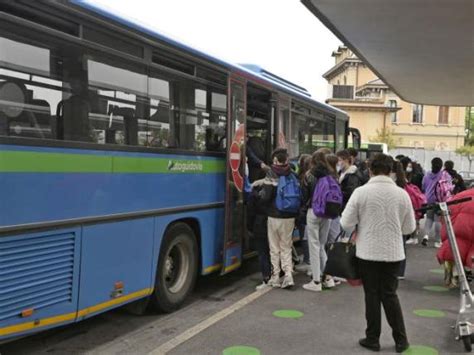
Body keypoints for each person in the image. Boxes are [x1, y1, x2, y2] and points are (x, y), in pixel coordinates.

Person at [341, 153, 416, 353]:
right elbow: (409, 228)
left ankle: (372, 338)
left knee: (372, 295)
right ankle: (401, 340)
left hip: (367, 253)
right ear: (391, 170)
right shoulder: (402, 194)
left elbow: (346, 223)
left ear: (370, 169)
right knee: (390, 295)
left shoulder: (361, 192)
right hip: (393, 253)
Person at [256, 148, 298, 289]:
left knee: (274, 248)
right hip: (289, 216)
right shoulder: (293, 174)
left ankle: (275, 278)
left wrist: (258, 194)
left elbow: (265, 196)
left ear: (275, 160)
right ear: (286, 160)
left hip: (274, 215)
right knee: (286, 246)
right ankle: (288, 276)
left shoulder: (271, 173)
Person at [301, 151, 337, 291]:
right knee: (322, 245)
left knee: (314, 246)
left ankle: (316, 281)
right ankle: (328, 278)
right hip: (327, 213)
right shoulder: (331, 174)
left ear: (313, 161)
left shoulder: (309, 175)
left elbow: (304, 196)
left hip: (314, 211)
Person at [436, 188, 474, 288]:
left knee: (453, 253)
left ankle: (452, 277)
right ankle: (464, 274)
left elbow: (448, 212)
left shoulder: (461, 195)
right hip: (469, 231)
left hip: (455, 230)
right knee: (469, 255)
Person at [421, 158, 453, 247]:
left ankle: (426, 236)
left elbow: (423, 186)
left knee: (429, 218)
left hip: (429, 200)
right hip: (440, 200)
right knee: (438, 220)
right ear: (441, 165)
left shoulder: (427, 175)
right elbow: (450, 187)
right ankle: (438, 240)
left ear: (431, 164)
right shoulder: (445, 175)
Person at [247, 183, 272, 290]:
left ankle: (266, 278)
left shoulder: (254, 194)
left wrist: (249, 228)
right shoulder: (274, 190)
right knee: (273, 251)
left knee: (263, 253)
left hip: (259, 224)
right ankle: (276, 275)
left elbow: (250, 213)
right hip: (272, 223)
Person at [295, 154, 312, 273]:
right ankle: (309, 259)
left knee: (304, 236)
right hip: (309, 210)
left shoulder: (299, 177)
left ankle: (308, 260)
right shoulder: (311, 177)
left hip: (302, 211)